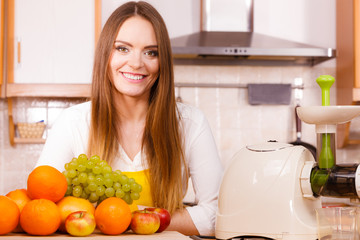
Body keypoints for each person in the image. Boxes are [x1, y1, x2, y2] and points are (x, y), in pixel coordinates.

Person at [35, 1, 223, 236]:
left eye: (150, 52)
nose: (136, 63)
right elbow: (41, 209)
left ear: (162, 61)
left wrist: (128, 219)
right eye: (123, 48)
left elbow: (218, 216)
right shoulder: (72, 122)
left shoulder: (190, 123)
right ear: (106, 53)